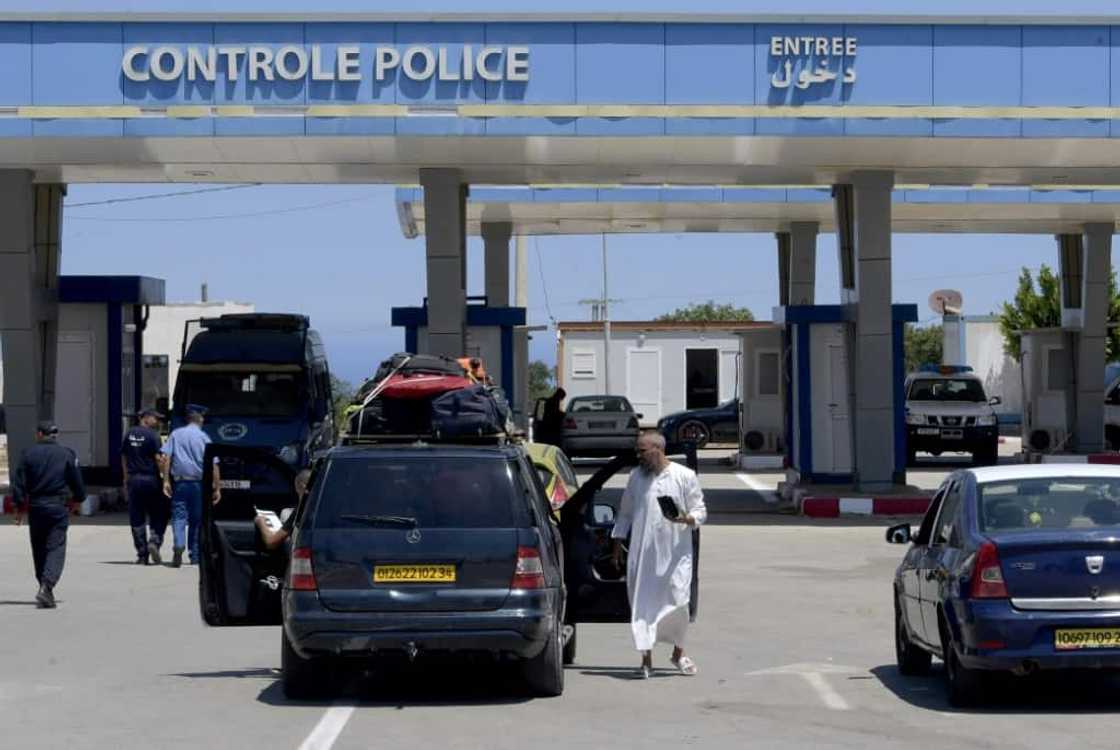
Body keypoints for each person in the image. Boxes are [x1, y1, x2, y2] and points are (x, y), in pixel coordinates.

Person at [611, 431, 707, 678]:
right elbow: (625, 514)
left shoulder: (684, 476)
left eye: (642, 451)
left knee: (679, 601)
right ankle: (646, 660)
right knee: (642, 606)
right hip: (642, 557)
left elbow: (700, 510)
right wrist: (616, 548)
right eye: (637, 451)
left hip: (675, 555)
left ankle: (678, 653)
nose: (638, 456)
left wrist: (686, 518)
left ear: (657, 449)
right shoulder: (636, 477)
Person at [11, 421, 86, 609]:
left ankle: (45, 589)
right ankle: (47, 586)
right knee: (56, 547)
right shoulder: (67, 454)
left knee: (39, 548)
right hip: (57, 507)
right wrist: (78, 500)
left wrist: (19, 508)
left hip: (36, 506)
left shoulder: (27, 454)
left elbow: (19, 483)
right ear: (55, 435)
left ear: (38, 434)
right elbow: (77, 480)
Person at [160, 404, 221, 567]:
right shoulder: (204, 438)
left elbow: (167, 458)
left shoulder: (175, 434)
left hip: (180, 483)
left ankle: (179, 544)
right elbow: (214, 465)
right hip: (198, 485)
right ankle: (194, 555)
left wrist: (166, 481)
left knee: (179, 517)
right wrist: (218, 487)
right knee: (196, 520)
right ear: (200, 418)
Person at [121, 409, 168, 565]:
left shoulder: (128, 434)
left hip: (134, 480)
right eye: (156, 418)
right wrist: (166, 478)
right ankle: (154, 541)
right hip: (151, 480)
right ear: (145, 418)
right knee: (158, 513)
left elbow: (124, 458)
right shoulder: (153, 436)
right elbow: (158, 459)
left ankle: (142, 554)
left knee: (137, 517)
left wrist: (126, 480)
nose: (158, 422)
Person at [255, 469, 311, 551]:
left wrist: (261, 522)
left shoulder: (303, 509)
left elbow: (271, 543)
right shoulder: (325, 505)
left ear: (302, 486)